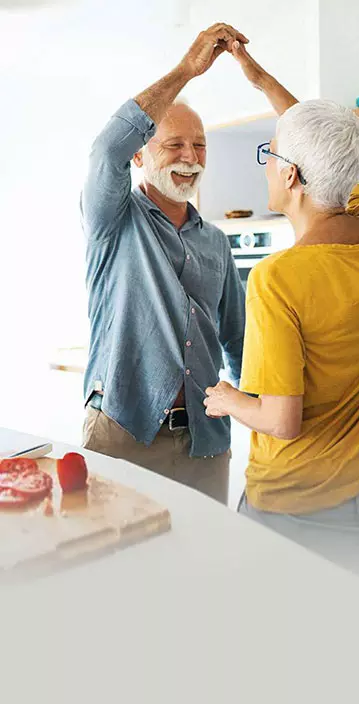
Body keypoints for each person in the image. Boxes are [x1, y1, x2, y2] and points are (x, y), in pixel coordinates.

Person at [204, 42, 359, 580]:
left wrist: (227, 397)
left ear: (290, 176)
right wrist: (260, 77)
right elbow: (327, 154)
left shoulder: (277, 278)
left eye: (269, 155)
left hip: (296, 509)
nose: (266, 166)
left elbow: (280, 421)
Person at [81, 24, 248, 505]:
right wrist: (187, 71)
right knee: (120, 573)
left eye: (199, 146)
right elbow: (104, 149)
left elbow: (239, 341)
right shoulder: (112, 219)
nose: (190, 157)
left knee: (203, 574)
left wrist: (267, 414)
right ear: (140, 154)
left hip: (207, 441)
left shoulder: (216, 242)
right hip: (123, 433)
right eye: (173, 144)